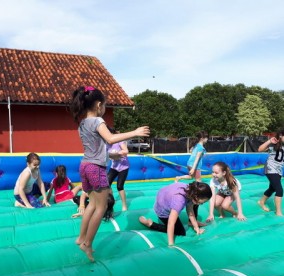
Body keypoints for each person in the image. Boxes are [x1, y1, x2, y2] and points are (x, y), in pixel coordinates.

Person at [69, 85, 150, 262]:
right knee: (102, 206)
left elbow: (99, 147)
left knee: (91, 204)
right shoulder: (98, 122)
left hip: (84, 166)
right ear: (99, 105)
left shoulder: (82, 123)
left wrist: (112, 153)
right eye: (105, 106)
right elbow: (111, 139)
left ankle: (81, 237)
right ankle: (87, 244)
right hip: (96, 168)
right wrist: (134, 132)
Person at [139, 181, 212, 246]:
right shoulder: (179, 201)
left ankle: (191, 222)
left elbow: (190, 209)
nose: (202, 203)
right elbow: (171, 223)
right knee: (180, 231)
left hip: (164, 194)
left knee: (195, 204)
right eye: (202, 202)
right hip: (162, 208)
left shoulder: (191, 190)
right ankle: (150, 224)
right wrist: (171, 244)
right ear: (196, 196)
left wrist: (196, 227)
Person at [257, 129, 284, 216]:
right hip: (270, 169)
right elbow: (260, 149)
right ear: (281, 136)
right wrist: (269, 141)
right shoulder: (273, 143)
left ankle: (261, 202)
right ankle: (278, 212)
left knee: (272, 188)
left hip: (278, 170)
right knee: (279, 189)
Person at [107, 127, 130, 211]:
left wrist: (117, 154)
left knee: (119, 186)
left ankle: (124, 205)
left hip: (123, 167)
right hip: (114, 167)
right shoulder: (106, 144)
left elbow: (126, 151)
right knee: (107, 184)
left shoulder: (119, 141)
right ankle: (111, 200)